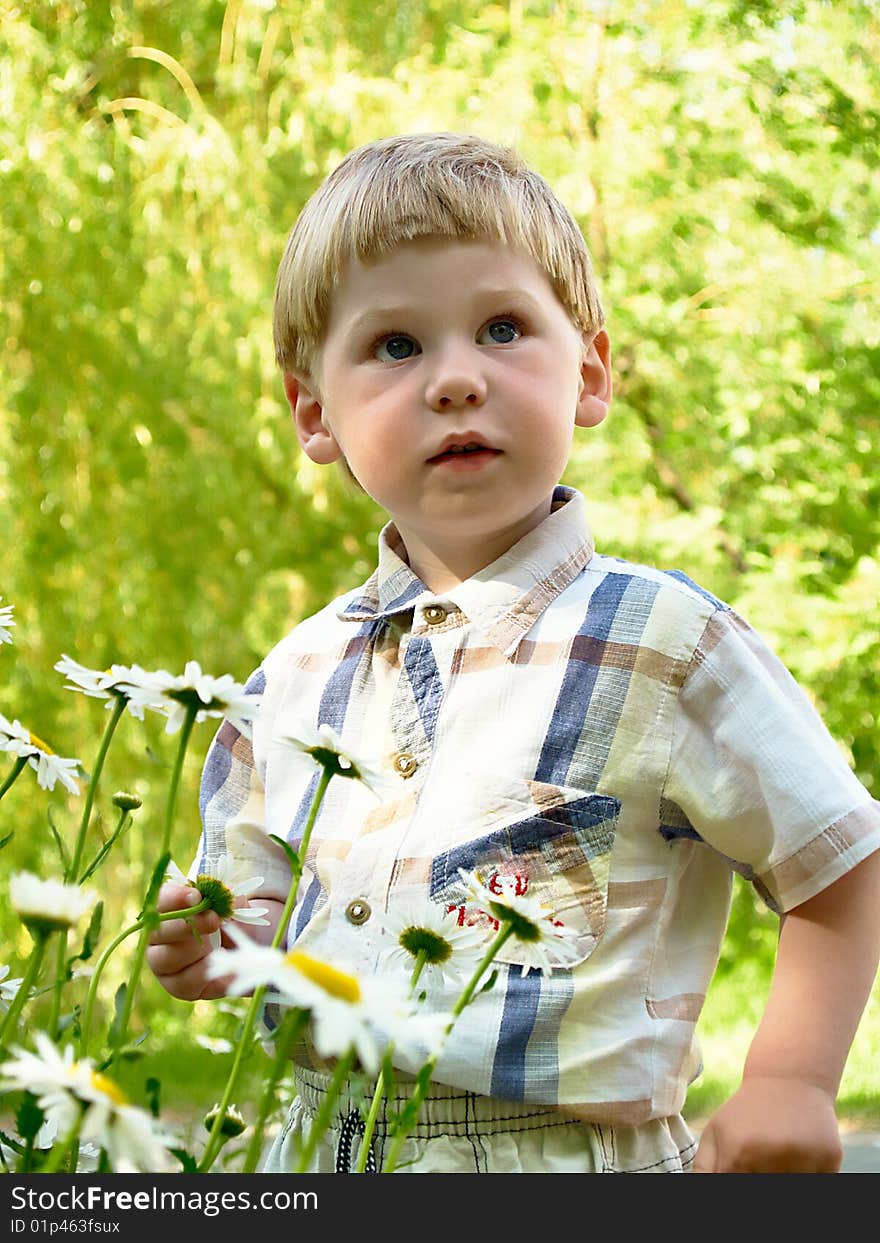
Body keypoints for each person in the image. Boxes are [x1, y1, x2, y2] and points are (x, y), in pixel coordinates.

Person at [146, 132, 880, 1174]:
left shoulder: (662, 641)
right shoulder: (294, 679)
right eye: (395, 345)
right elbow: (257, 921)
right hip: (315, 1149)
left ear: (588, 373)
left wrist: (792, 1079)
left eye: (501, 328)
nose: (454, 379)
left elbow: (839, 862)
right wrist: (213, 946)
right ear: (314, 410)